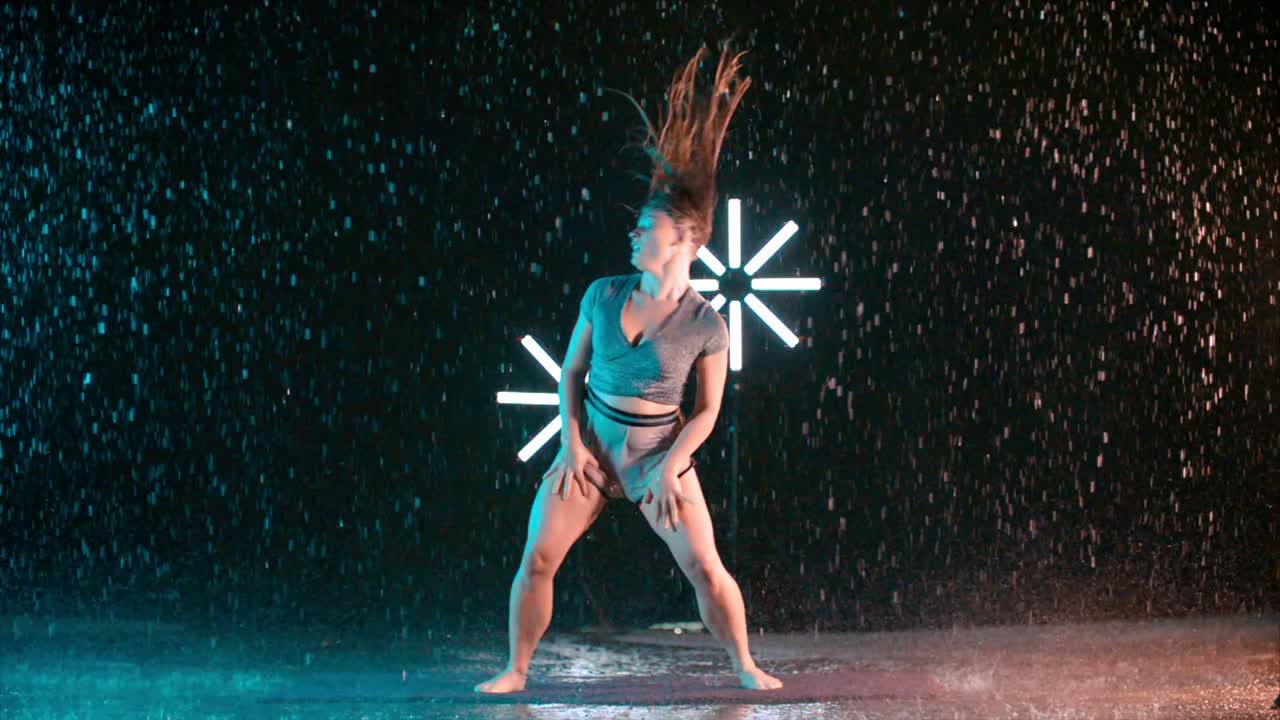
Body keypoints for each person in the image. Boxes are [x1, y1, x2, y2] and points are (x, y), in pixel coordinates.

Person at [476, 41, 783, 693]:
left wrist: (672, 465)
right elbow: (570, 375)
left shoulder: (706, 323)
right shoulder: (603, 293)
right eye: (636, 229)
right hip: (592, 445)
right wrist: (570, 441)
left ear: (686, 239)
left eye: (646, 229)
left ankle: (746, 665)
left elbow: (707, 412)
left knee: (704, 566)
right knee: (538, 560)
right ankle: (516, 670)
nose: (633, 236)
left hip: (656, 455)